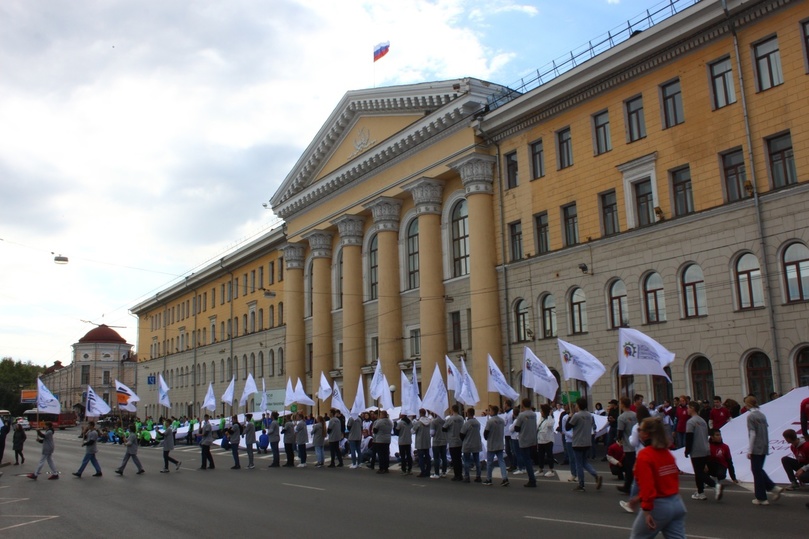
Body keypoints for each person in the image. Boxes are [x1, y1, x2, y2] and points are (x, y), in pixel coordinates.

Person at [631, 417, 687, 539]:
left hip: (659, 505)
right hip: (676, 503)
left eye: (640, 429)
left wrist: (646, 510)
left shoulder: (645, 455)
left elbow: (648, 486)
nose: (638, 431)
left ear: (646, 434)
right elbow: (665, 481)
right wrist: (638, 498)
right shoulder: (667, 453)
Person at [745, 396, 783, 505]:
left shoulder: (750, 416)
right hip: (764, 444)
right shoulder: (762, 415)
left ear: (748, 405)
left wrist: (749, 450)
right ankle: (773, 487)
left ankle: (761, 497)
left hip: (756, 446)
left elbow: (752, 434)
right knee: (758, 469)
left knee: (756, 471)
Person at [684, 401, 721, 501]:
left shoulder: (690, 422)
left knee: (699, 472)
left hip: (696, 449)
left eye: (688, 408)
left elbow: (689, 437)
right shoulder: (703, 421)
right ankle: (700, 492)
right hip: (705, 448)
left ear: (692, 408)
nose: (687, 410)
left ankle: (715, 485)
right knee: (699, 471)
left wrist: (687, 450)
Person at [566, 397, 603, 492]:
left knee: (578, 464)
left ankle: (581, 484)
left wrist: (570, 416)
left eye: (576, 404)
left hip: (578, 442)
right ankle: (595, 475)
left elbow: (567, 427)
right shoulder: (590, 415)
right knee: (584, 462)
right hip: (587, 441)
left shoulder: (577, 416)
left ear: (579, 405)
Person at [513, 397, 538, 488]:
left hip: (524, 439)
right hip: (532, 438)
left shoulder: (521, 415)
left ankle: (532, 479)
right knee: (529, 459)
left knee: (526, 460)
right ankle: (532, 478)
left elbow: (517, 428)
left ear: (523, 405)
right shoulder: (533, 414)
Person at [616, 397, 638, 494]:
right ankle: (628, 485)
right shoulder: (635, 415)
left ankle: (628, 486)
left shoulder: (621, 417)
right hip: (637, 444)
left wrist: (618, 440)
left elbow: (620, 431)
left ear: (623, 405)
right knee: (631, 465)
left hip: (628, 445)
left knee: (630, 467)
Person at [483, 405, 509, 486]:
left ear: (493, 411)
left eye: (490, 410)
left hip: (492, 444)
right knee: (501, 461)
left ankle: (488, 478)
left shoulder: (490, 421)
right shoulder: (501, 420)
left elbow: (486, 433)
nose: (489, 412)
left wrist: (486, 438)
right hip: (500, 443)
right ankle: (505, 478)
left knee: (490, 462)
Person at [460, 407, 482, 483]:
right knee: (477, 460)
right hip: (476, 443)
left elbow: (462, 434)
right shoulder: (477, 423)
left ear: (468, 413)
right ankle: (478, 476)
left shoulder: (467, 423)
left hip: (468, 444)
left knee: (466, 461)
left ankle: (467, 477)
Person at [443, 404, 464, 481]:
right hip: (460, 440)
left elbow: (444, 428)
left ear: (452, 410)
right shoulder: (461, 418)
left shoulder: (450, 419)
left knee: (455, 459)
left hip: (452, 440)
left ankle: (457, 475)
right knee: (459, 458)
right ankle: (460, 474)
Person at [536, 404, 555, 478]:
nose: (541, 412)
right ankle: (540, 469)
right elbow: (538, 426)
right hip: (541, 440)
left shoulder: (550, 419)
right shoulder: (541, 419)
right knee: (541, 455)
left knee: (549, 455)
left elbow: (550, 424)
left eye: (542, 411)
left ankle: (551, 470)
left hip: (548, 440)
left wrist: (550, 415)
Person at [412, 409, 432, 478]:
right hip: (427, 441)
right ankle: (428, 471)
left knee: (421, 457)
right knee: (427, 457)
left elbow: (412, 431)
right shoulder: (429, 421)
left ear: (420, 413)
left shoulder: (419, 422)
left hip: (420, 442)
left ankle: (423, 471)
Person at [430, 412, 448, 479]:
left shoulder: (434, 422)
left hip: (436, 442)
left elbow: (432, 433)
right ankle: (444, 472)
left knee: (436, 458)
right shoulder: (445, 421)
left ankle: (437, 473)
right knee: (444, 457)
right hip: (444, 440)